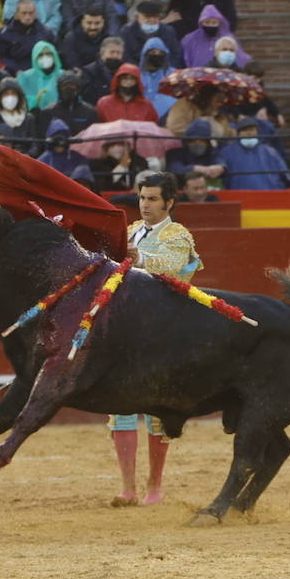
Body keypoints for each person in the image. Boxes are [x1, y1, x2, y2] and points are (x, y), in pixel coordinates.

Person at [106, 171, 201, 507]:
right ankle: (128, 488)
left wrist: (137, 257)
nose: (144, 205)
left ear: (169, 202)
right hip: (125, 331)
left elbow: (170, 266)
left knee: (158, 409)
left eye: (152, 199)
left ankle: (155, 487)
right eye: (142, 198)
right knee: (121, 408)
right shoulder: (130, 230)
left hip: (164, 332)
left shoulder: (178, 235)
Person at [216, 117, 290, 190]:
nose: (249, 133)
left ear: (257, 131)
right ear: (239, 133)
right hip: (239, 196)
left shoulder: (270, 152)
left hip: (269, 196)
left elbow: (285, 177)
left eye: (252, 129)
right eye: (245, 130)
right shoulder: (227, 152)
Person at [0, 0, 57, 73]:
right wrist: (16, 70)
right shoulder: (4, 34)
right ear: (17, 14)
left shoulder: (46, 33)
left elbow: (54, 54)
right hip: (14, 75)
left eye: (31, 13)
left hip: (41, 73)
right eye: (24, 13)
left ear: (35, 14)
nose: (27, 17)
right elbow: (0, 57)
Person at [0, 78, 41, 155]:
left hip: (24, 161)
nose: (10, 97)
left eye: (13, 94)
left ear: (19, 97)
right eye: (6, 94)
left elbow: (35, 145)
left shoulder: (28, 119)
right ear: (0, 97)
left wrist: (26, 157)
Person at [121, 0, 183, 68]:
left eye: (155, 16)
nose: (152, 20)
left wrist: (166, 70)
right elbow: (126, 57)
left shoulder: (168, 31)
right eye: (147, 17)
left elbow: (175, 55)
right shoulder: (127, 32)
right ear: (137, 17)